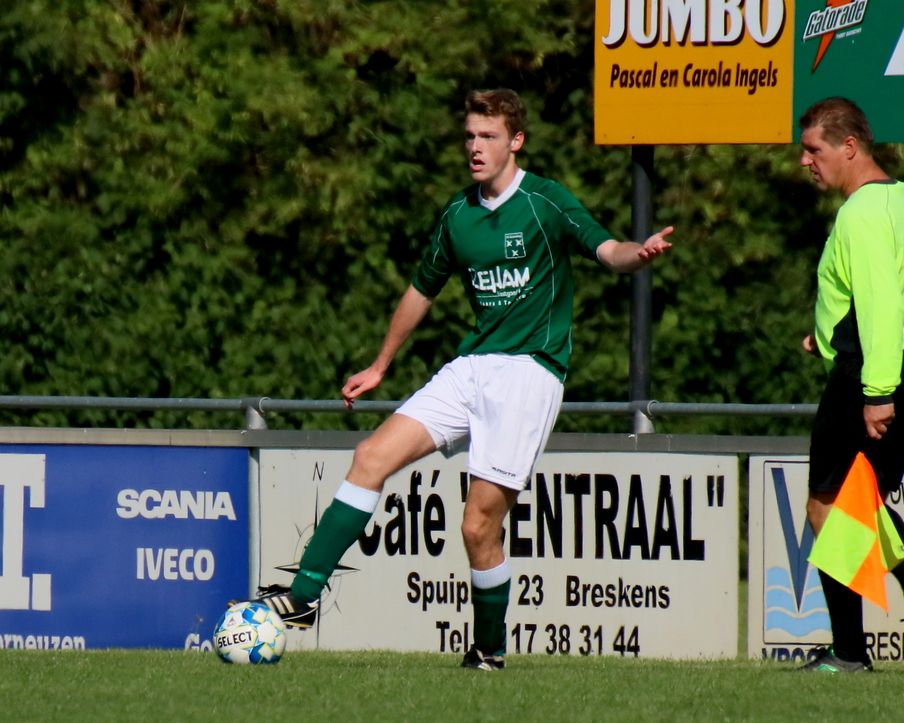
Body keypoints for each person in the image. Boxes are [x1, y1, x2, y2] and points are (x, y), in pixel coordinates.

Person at [248, 88, 675, 671]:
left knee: (477, 528)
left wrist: (638, 254)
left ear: (516, 141)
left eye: (488, 136)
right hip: (470, 368)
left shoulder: (545, 201)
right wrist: (380, 365)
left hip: (529, 374)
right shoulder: (458, 214)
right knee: (370, 457)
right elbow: (421, 291)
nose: (475, 147)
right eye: (470, 136)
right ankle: (302, 598)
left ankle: (489, 650)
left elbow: (607, 250)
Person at [796, 97, 904, 673]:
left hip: (873, 372)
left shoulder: (859, 213)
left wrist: (877, 391)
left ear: (850, 146)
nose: (805, 161)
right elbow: (898, 293)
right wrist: (824, 335)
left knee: (828, 506)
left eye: (814, 149)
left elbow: (881, 302)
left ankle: (849, 653)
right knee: (867, 500)